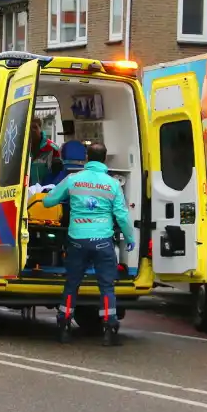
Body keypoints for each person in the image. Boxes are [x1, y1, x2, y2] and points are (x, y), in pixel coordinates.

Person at [42, 142, 135, 346]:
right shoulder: (112, 184)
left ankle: (64, 326)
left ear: (86, 158)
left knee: (72, 285)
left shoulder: (73, 179)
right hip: (103, 242)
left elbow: (48, 202)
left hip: (77, 241)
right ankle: (109, 329)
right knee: (106, 287)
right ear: (104, 158)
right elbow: (122, 216)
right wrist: (130, 239)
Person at [27, 119, 61, 186]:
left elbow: (58, 174)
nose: (32, 130)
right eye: (29, 128)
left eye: (35, 127)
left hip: (45, 191)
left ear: (40, 128)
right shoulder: (21, 148)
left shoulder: (52, 148)